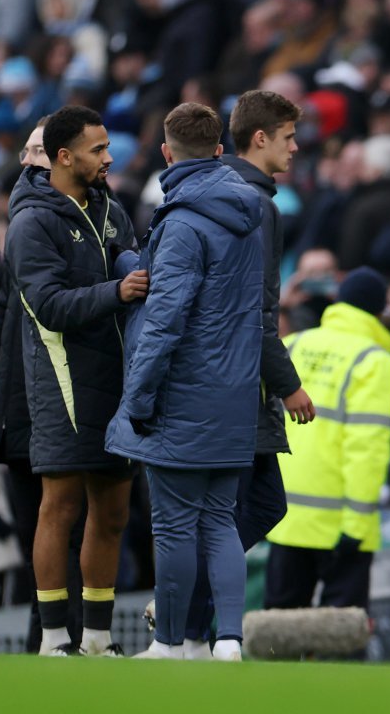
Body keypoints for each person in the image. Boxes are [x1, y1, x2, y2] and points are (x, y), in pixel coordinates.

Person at [106, 102, 264, 662]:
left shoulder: (180, 223)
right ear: (220, 150)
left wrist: (137, 399)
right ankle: (227, 642)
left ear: (167, 153)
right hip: (236, 395)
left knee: (174, 528)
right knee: (220, 521)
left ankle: (169, 643)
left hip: (181, 396)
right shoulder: (252, 214)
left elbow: (167, 318)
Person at [177, 90, 317, 655]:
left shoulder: (229, 193)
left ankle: (188, 615)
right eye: (287, 137)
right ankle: (191, 619)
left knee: (251, 508)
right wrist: (289, 386)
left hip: (222, 378)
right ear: (259, 138)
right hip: (238, 384)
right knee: (249, 510)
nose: (296, 147)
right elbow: (255, 309)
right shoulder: (254, 206)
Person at [4, 105, 145, 656]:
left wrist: (134, 263)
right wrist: (120, 290)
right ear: (64, 158)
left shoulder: (110, 209)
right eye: (97, 150)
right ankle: (55, 638)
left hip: (117, 380)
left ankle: (99, 640)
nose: (109, 158)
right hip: (60, 379)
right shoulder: (31, 222)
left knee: (112, 512)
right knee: (59, 509)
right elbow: (47, 305)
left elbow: (124, 257)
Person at [0, 117, 85, 653]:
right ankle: (51, 639)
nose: (31, 160)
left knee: (68, 526)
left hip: (69, 394)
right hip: (19, 399)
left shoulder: (94, 215)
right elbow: (8, 313)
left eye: (39, 149)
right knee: (44, 526)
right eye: (29, 151)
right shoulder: (27, 222)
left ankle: (64, 638)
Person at [264, 268, 390, 613]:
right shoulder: (375, 362)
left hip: (284, 516)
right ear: (380, 310)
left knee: (277, 638)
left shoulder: (293, 344)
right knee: (339, 640)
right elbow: (366, 449)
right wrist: (357, 524)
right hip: (341, 522)